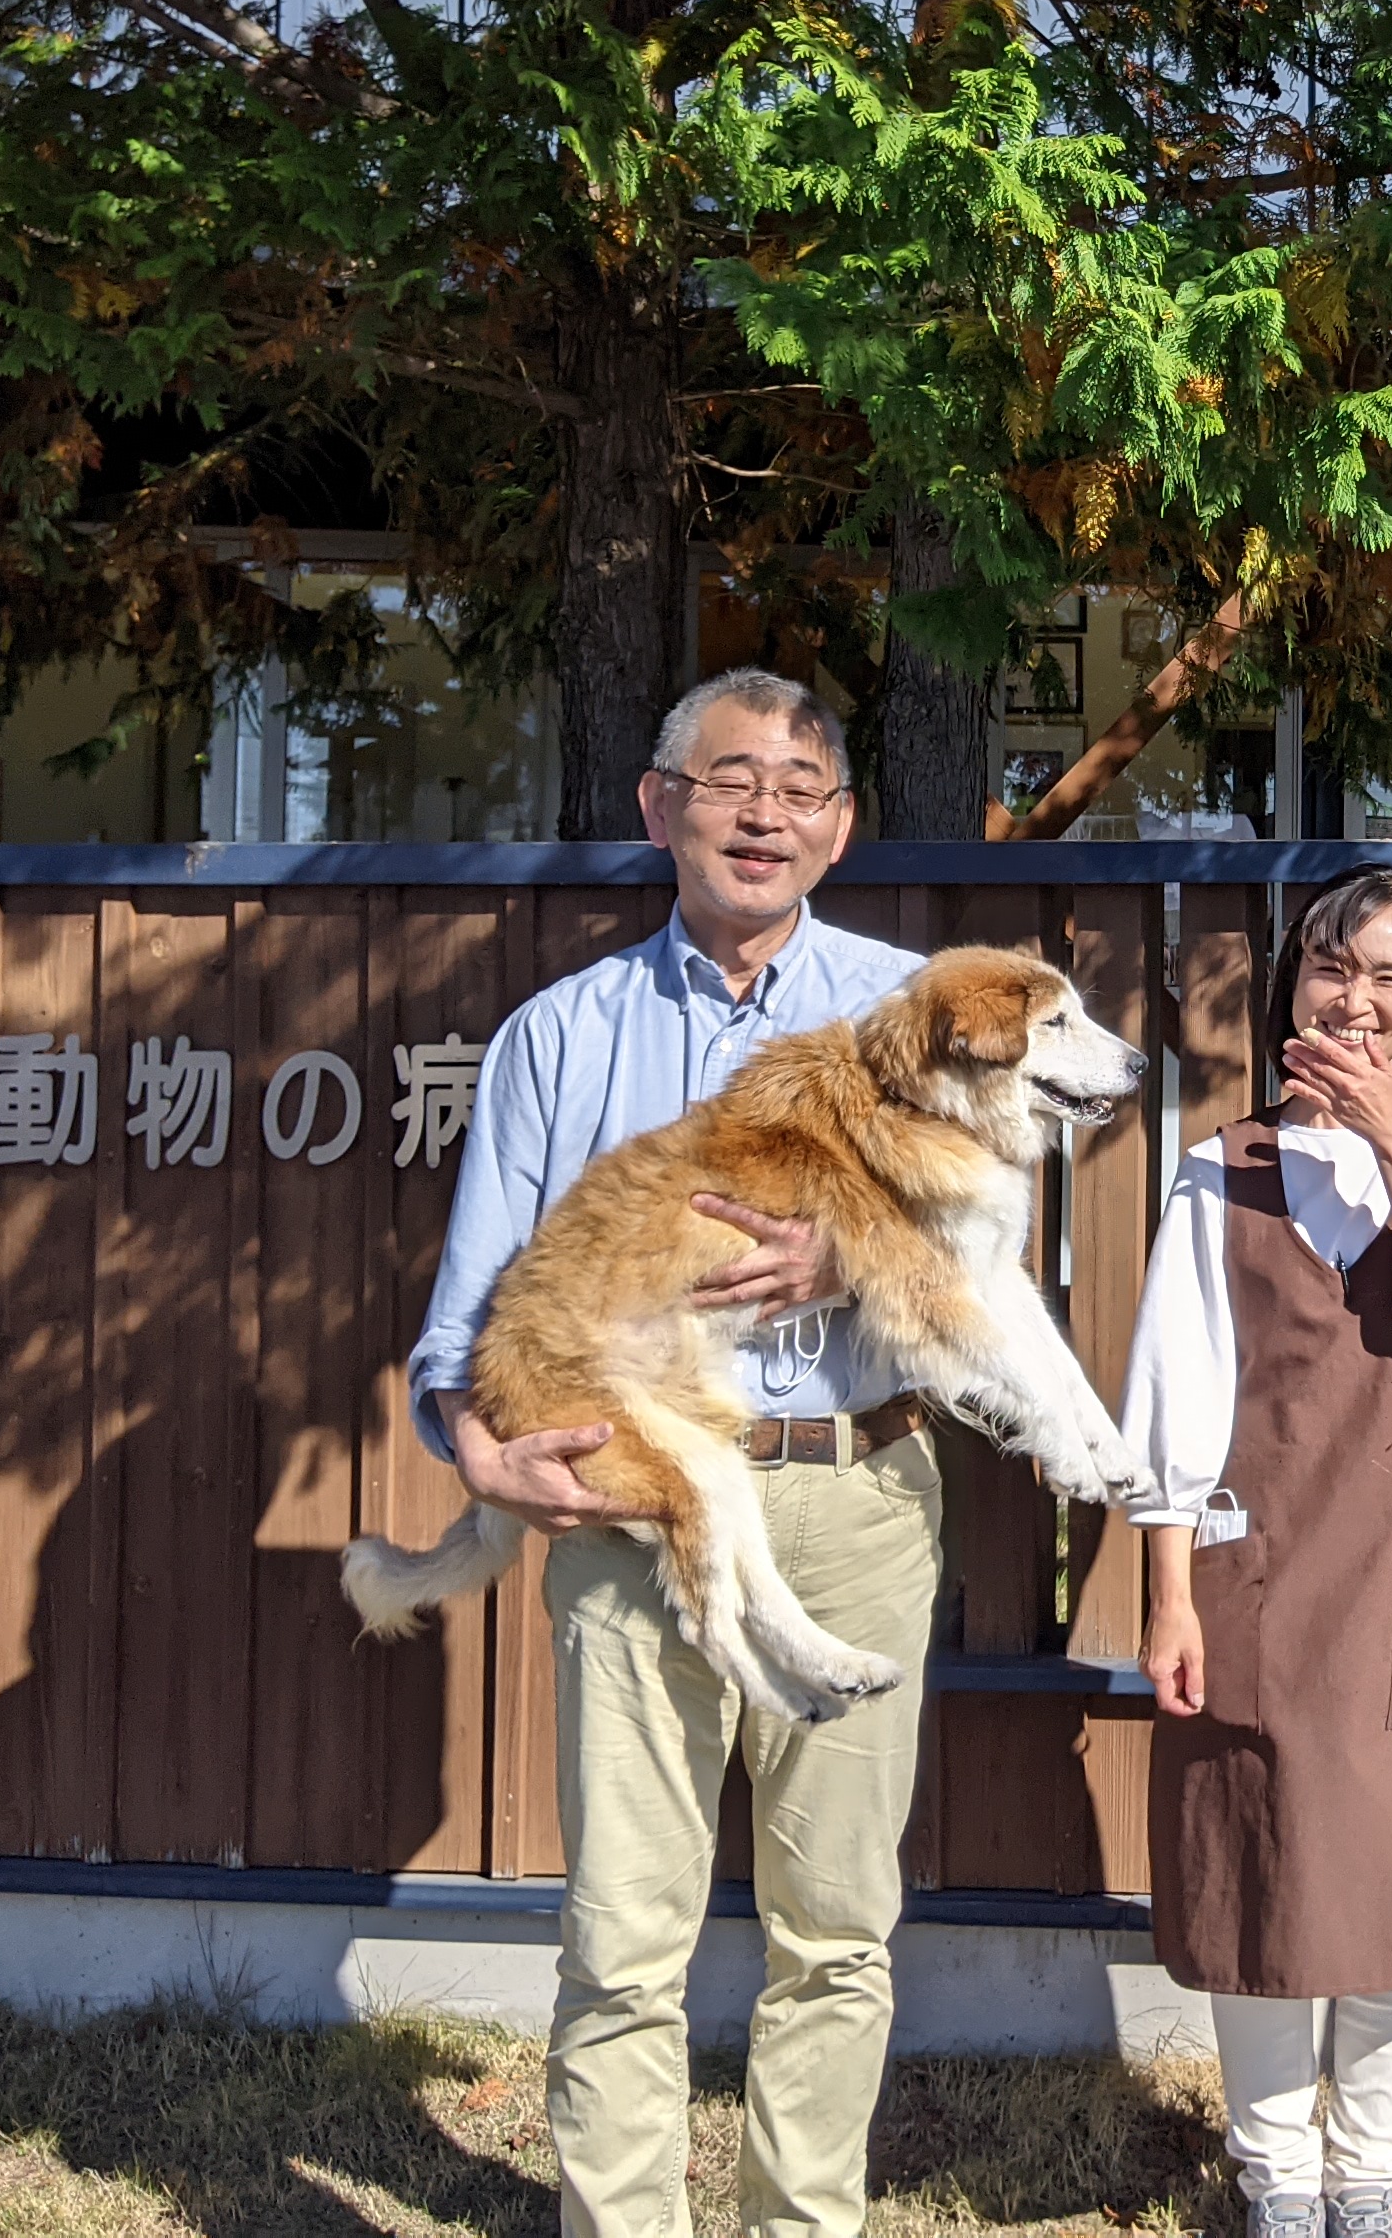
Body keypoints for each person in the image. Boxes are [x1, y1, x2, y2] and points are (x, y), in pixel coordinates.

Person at [405, 669, 931, 2238]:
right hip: (630, 1519)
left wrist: (851, 1254)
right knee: (624, 1937)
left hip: (854, 1498)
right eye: (729, 779)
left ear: (840, 828)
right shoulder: (559, 1037)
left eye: (799, 786)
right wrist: (479, 1455)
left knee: (837, 1932)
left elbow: (998, 1261)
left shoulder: (907, 1015)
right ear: (660, 807)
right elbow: (465, 1324)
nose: (764, 812)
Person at [1126, 865, 1392, 2238]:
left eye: (1388, 978)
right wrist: (1169, 1595)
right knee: (1259, 1880)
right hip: (1255, 1573)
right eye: (1331, 967)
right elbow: (1175, 1391)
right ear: (1291, 986)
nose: (1354, 998)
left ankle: (1368, 2177)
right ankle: (1276, 2179)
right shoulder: (1224, 1167)